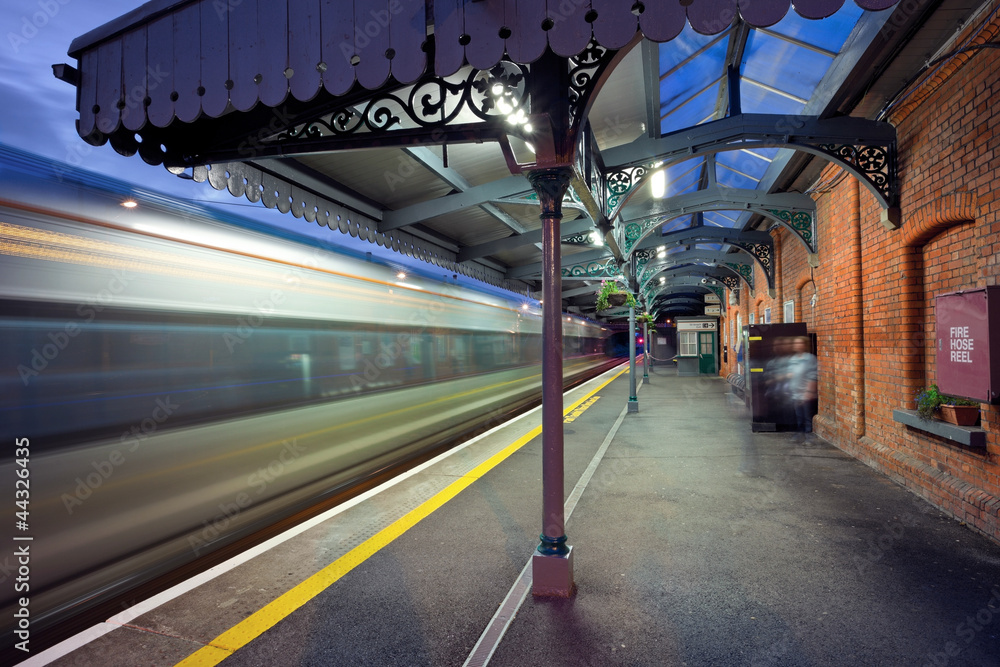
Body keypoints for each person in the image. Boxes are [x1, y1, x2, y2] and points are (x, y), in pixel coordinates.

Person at [784, 336, 817, 440]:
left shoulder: (810, 358)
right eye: (796, 343)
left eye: (800, 343)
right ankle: (799, 434)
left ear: (805, 345)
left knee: (807, 416)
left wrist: (809, 391)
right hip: (795, 393)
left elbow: (813, 376)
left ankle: (809, 437)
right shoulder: (793, 359)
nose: (797, 345)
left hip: (805, 393)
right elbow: (789, 373)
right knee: (798, 415)